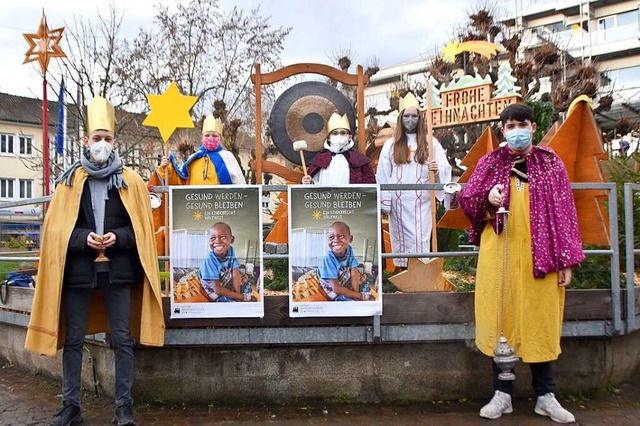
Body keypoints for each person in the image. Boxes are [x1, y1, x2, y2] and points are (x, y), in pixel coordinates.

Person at [25, 97, 165, 426]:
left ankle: (124, 410)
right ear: (84, 141)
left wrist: (118, 237)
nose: (102, 143)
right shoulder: (69, 182)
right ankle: (70, 407)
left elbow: (141, 231)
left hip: (117, 273)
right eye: (96, 137)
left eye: (107, 137)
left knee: (122, 340)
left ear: (115, 142)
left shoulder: (131, 182)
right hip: (79, 273)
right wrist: (81, 239)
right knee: (73, 340)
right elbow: (57, 231)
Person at [459, 103, 585, 424]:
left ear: (532, 125)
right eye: (511, 125)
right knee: (501, 316)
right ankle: (502, 395)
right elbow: (468, 200)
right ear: (503, 129)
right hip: (499, 253)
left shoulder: (550, 163)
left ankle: (546, 395)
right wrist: (489, 198)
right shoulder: (490, 162)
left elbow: (564, 213)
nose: (517, 129)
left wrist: (565, 261)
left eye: (523, 123)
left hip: (539, 256)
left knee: (539, 319)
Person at [375, 92, 452, 268]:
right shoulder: (391, 144)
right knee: (400, 240)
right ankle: (403, 273)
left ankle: (422, 272)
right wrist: (385, 201)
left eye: (414, 116)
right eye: (407, 116)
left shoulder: (429, 142)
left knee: (420, 238)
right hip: (399, 202)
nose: (411, 119)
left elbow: (445, 168)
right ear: (401, 118)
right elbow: (383, 174)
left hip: (421, 201)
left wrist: (436, 170)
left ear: (420, 118)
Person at [160, 114, 244, 185]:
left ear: (220, 138)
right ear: (202, 138)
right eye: (207, 135)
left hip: (220, 203)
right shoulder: (193, 159)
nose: (210, 138)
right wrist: (167, 169)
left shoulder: (227, 157)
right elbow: (180, 184)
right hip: (195, 203)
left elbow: (239, 186)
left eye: (214, 136)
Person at [301, 112, 375, 185]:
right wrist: (309, 182)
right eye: (335, 133)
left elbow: (369, 189)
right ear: (329, 137)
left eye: (343, 133)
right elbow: (314, 187)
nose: (339, 136)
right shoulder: (321, 159)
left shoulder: (359, 160)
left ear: (350, 137)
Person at [199, 222, 250, 302]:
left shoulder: (230, 250)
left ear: (232, 239)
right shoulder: (210, 259)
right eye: (212, 238)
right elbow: (217, 290)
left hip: (224, 284)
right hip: (214, 290)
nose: (217, 241)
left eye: (222, 237)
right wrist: (240, 296)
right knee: (229, 304)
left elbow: (235, 273)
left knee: (247, 283)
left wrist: (238, 294)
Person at [316, 221, 367, 301]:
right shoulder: (328, 258)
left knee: (364, 282)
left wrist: (356, 294)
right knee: (348, 303)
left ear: (350, 239)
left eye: (341, 236)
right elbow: (336, 288)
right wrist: (359, 295)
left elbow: (354, 272)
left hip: (342, 281)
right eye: (331, 237)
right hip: (331, 288)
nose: (336, 240)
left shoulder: (349, 249)